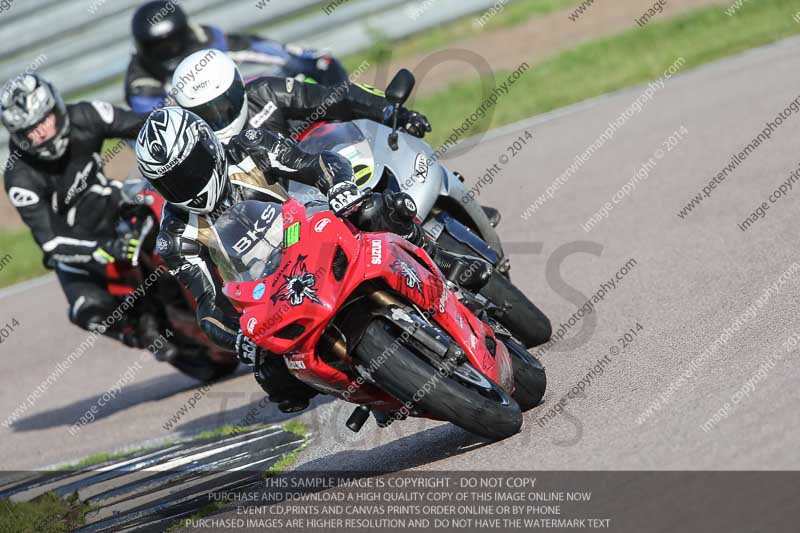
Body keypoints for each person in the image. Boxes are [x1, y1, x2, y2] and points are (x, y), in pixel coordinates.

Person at [135, 107, 489, 412]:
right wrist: (238, 339)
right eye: (172, 183)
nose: (187, 184)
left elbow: (314, 163)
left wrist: (338, 185)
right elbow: (209, 303)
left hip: (314, 226)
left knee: (375, 209)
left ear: (208, 144)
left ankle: (444, 263)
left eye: (191, 168)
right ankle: (372, 389)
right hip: (272, 287)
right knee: (272, 374)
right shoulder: (175, 237)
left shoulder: (248, 148)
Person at [0, 74, 176, 356]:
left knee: (165, 209)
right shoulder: (20, 177)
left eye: (45, 120)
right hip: (77, 248)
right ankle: (139, 332)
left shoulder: (86, 115)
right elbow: (51, 242)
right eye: (31, 130)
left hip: (117, 208)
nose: (42, 132)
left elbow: (143, 125)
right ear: (18, 135)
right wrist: (105, 249)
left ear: (55, 107)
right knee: (87, 311)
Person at [126, 1, 347, 114]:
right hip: (212, 154)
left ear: (185, 35)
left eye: (171, 43)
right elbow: (155, 128)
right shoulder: (142, 87)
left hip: (265, 120)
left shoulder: (218, 43)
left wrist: (311, 65)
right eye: (159, 48)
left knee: (319, 66)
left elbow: (300, 58)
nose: (168, 51)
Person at [170, 49, 431, 142]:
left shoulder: (266, 91)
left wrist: (390, 111)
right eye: (206, 113)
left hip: (319, 182)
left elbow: (334, 96)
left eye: (222, 105)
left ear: (238, 87)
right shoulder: (198, 145)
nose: (219, 116)